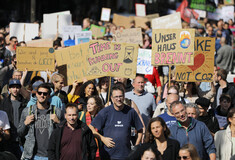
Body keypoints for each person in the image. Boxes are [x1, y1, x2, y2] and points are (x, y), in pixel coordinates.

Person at [89, 85, 143, 160]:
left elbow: (140, 130)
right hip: (108, 155)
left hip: (126, 155)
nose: (118, 99)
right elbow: (91, 127)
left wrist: (135, 147)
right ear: (111, 98)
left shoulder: (131, 112)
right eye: (116, 97)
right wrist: (102, 138)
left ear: (124, 96)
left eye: (120, 96)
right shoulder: (105, 112)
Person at [18, 83, 62, 160]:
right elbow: (20, 133)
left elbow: (65, 133)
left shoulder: (56, 111)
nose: (42, 95)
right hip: (31, 155)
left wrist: (58, 122)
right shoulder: (27, 111)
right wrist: (25, 123)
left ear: (49, 95)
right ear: (36, 94)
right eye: (39, 93)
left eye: (45, 94)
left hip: (50, 156)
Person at [0, 79, 28, 159]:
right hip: (8, 141)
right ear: (9, 89)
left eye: (17, 87)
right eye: (13, 87)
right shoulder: (3, 103)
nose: (15, 89)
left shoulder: (25, 103)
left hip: (22, 140)